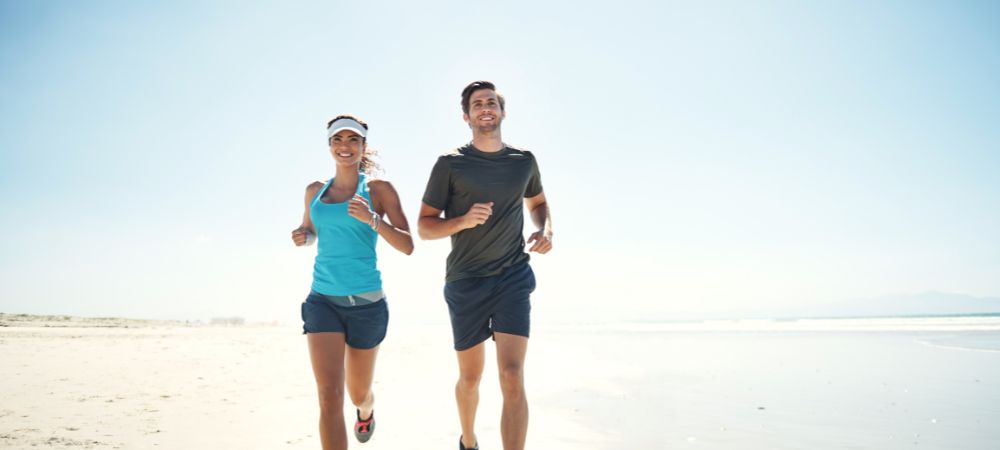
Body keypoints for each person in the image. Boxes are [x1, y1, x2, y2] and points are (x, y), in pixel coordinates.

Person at [418, 81, 553, 450]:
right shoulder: (450, 164)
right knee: (470, 378)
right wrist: (462, 221)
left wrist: (545, 230)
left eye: (491, 102)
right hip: (465, 280)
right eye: (477, 104)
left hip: (513, 276)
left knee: (512, 375)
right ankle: (468, 439)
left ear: (502, 111)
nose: (485, 108)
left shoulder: (523, 161)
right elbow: (425, 227)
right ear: (467, 116)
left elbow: (538, 203)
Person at [291, 115, 414, 450]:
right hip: (323, 300)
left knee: (358, 393)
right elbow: (310, 230)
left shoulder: (378, 190)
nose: (344, 146)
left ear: (363, 146)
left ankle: (366, 410)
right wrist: (303, 236)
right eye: (338, 140)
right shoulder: (315, 191)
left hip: (366, 306)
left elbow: (407, 245)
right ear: (329, 145)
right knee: (329, 396)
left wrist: (372, 219)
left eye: (352, 140)